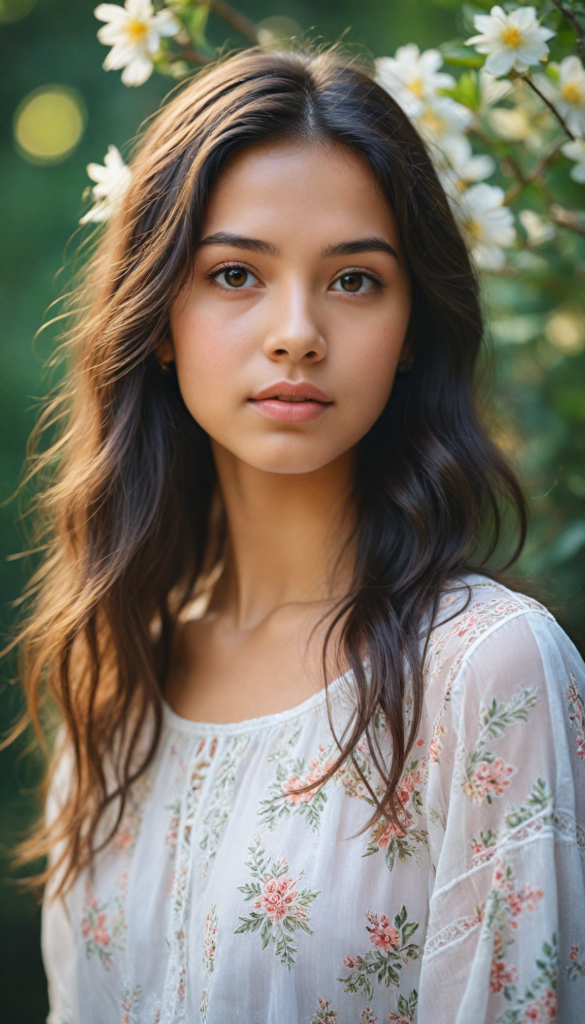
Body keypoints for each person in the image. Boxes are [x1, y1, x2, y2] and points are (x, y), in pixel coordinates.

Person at [14, 46, 584, 1024]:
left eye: (354, 281)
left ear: (411, 327)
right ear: (158, 316)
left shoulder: (488, 673)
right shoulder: (118, 675)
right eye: (235, 272)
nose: (296, 331)